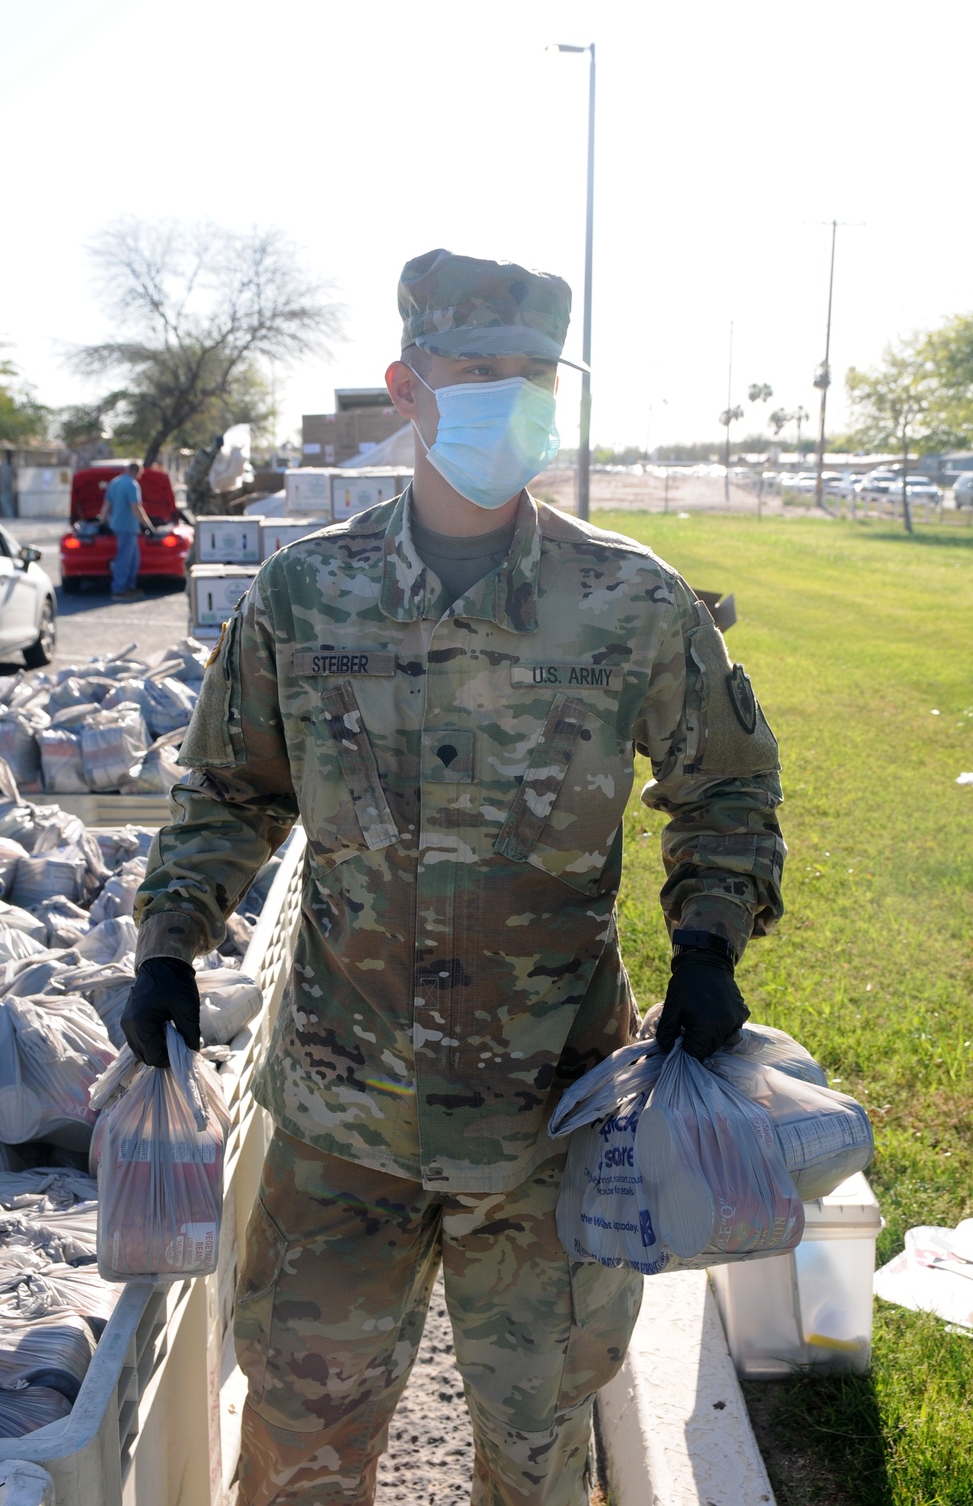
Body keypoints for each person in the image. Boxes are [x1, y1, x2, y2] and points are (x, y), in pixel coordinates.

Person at [121, 248, 786, 1506]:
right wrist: (168, 944)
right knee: (302, 1443)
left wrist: (706, 944)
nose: (510, 397)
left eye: (533, 373)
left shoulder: (627, 602)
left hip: (552, 1117)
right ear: (407, 385)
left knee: (537, 1451)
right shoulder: (306, 594)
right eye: (478, 370)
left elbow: (727, 789)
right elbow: (231, 790)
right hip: (340, 1117)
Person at [98, 462, 153, 598]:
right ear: (137, 472)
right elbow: (136, 507)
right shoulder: (132, 485)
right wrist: (147, 525)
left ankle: (130, 586)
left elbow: (106, 504)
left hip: (117, 525)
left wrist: (102, 521)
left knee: (134, 558)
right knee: (124, 558)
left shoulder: (114, 482)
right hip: (127, 527)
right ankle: (119, 588)